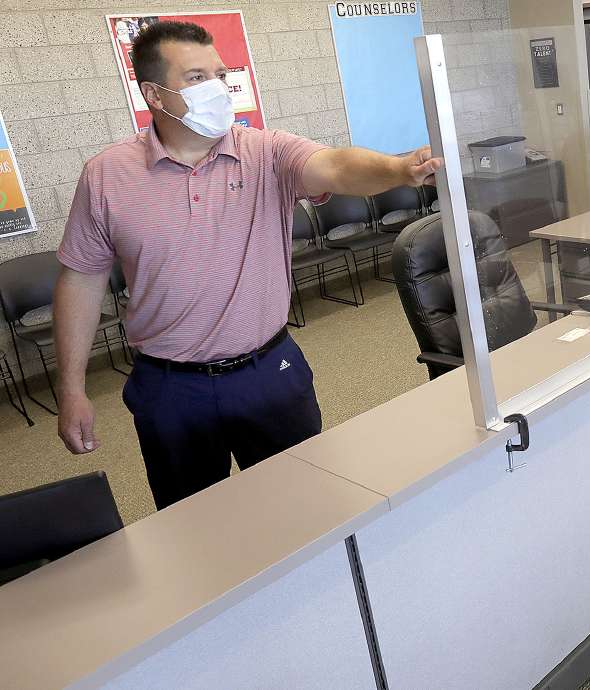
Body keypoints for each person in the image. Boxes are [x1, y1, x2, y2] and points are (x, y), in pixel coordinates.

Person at [53, 21, 441, 510]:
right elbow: (81, 278)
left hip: (268, 370)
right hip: (170, 387)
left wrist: (399, 168)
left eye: (220, 73)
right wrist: (71, 389)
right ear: (155, 94)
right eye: (197, 78)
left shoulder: (265, 152)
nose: (217, 88)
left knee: (303, 507)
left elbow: (338, 166)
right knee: (192, 522)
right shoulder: (107, 175)